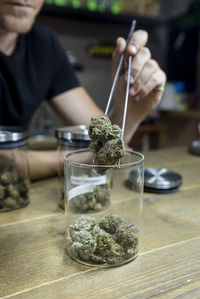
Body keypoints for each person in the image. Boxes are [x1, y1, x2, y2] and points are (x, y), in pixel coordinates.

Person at [0, 0, 166, 180]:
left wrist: (130, 108)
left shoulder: (42, 43)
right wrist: (86, 158)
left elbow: (103, 140)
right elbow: (5, 161)